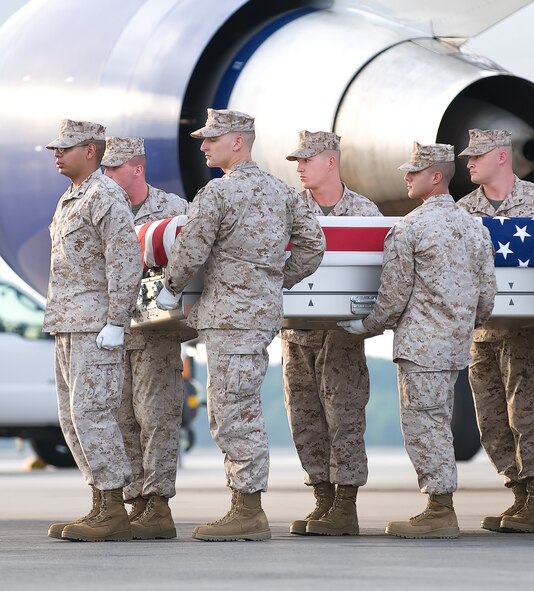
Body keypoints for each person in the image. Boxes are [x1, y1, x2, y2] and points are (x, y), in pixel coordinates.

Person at [156, 109, 326, 541]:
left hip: (230, 317)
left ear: (237, 142)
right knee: (238, 403)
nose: (203, 145)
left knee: (234, 409)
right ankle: (245, 504)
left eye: (212, 139)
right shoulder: (283, 193)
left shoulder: (218, 192)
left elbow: (192, 247)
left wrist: (171, 287)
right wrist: (273, 280)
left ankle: (248, 510)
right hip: (259, 314)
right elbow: (314, 245)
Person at [339, 141, 496, 539]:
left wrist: (366, 326)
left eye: (415, 171)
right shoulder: (475, 228)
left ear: (436, 176)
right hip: (456, 345)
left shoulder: (410, 227)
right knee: (438, 420)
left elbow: (393, 297)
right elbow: (487, 298)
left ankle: (440, 510)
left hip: (421, 345)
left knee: (424, 425)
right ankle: (440, 505)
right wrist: (461, 325)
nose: (407, 177)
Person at [456, 128, 534, 533]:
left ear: (502, 156)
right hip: (482, 333)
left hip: (527, 330)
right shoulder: (464, 210)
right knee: (491, 421)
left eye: (478, 155)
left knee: (525, 413)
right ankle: (519, 495)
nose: (469, 162)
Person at [43, 120, 142, 541]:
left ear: (89, 150)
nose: (57, 154)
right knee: (72, 419)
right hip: (68, 323)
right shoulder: (71, 197)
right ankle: (100, 502)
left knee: (94, 414)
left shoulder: (104, 195)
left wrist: (117, 321)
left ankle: (114, 508)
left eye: (65, 148)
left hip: (95, 326)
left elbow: (125, 260)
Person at [280, 131, 382, 536]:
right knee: (304, 419)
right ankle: (323, 500)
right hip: (297, 332)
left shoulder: (364, 212)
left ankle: (345, 506)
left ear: (331, 161)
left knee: (344, 418)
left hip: (342, 334)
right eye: (298, 161)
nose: (300, 168)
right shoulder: (288, 208)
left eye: (307, 160)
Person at [102, 136, 195, 539]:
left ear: (137, 168)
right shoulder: (104, 207)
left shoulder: (175, 209)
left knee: (156, 417)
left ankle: (158, 506)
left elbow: (195, 259)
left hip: (156, 332)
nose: (106, 174)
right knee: (122, 419)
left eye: (113, 167)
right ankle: (135, 502)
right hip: (115, 331)